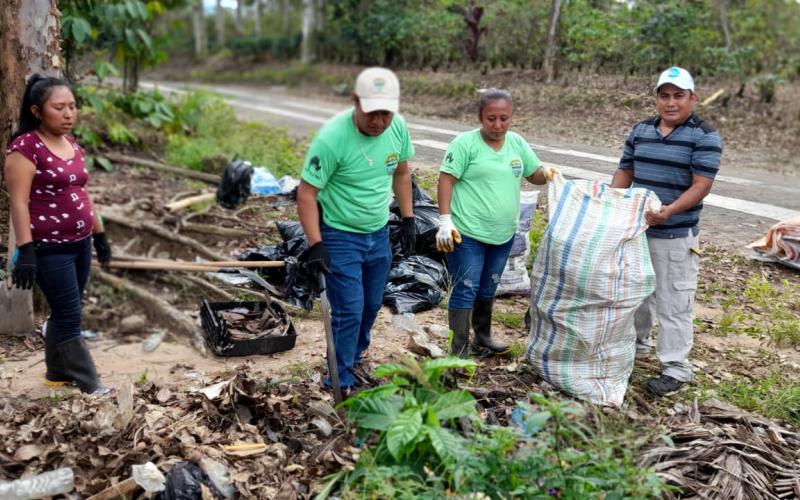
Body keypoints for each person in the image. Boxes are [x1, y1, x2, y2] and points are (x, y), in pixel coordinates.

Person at [297, 67, 415, 390]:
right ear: (355, 101)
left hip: (378, 233)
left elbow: (402, 173)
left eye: (385, 114)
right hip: (340, 235)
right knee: (349, 309)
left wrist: (408, 218)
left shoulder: (398, 128)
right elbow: (307, 194)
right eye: (371, 113)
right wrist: (315, 244)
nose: (378, 122)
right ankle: (339, 377)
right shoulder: (333, 138)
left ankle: (356, 353)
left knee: (373, 303)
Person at [611, 66, 722, 397]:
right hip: (638, 231)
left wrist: (670, 210)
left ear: (692, 98)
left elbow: (702, 185)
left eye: (678, 96)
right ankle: (638, 346)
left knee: (674, 302)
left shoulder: (704, 136)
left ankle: (676, 367)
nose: (670, 103)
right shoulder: (642, 129)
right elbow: (625, 170)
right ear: (657, 98)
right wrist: (611, 204)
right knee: (637, 294)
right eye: (664, 96)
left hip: (675, 234)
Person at [5, 74, 113, 395]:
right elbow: (19, 202)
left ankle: (56, 372)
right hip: (49, 248)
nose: (69, 114)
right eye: (59, 108)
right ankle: (89, 383)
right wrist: (25, 250)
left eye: (72, 106)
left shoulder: (71, 144)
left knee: (66, 309)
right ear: (38, 111)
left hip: (80, 243)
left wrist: (101, 235)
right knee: (69, 314)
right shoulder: (24, 148)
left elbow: (83, 193)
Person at [436, 89, 556, 358]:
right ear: (480, 117)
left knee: (489, 286)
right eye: (491, 118)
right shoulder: (465, 144)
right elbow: (446, 180)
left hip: (502, 235)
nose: (498, 125)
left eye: (504, 118)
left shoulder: (516, 143)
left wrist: (545, 173)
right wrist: (445, 220)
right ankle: (458, 351)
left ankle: (482, 335)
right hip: (467, 233)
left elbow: (532, 173)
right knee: (466, 288)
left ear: (512, 117)